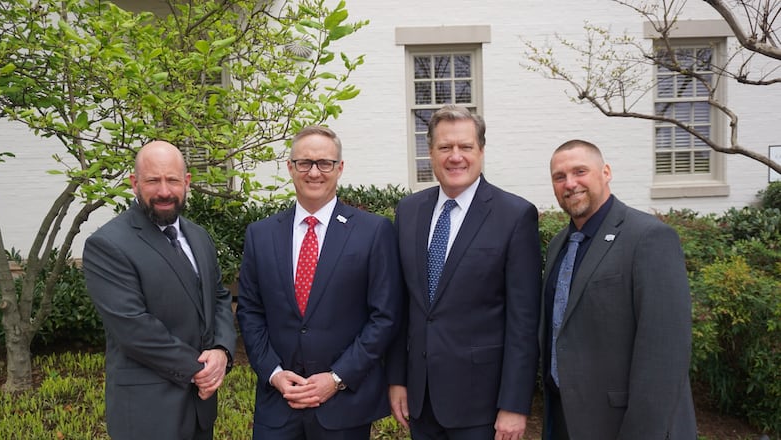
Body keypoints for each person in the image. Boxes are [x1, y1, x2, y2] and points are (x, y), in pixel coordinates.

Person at [236, 125, 402, 439]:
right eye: (305, 163)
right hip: (278, 405)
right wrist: (273, 373)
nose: (314, 172)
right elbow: (250, 311)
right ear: (290, 167)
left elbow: (384, 317)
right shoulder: (261, 234)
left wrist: (337, 378)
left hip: (343, 407)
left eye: (324, 163)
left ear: (340, 168)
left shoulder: (373, 232)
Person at [387, 104, 542, 440]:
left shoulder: (514, 216)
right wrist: (398, 379)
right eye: (445, 147)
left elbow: (524, 322)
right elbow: (403, 306)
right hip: (421, 399)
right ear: (430, 152)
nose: (455, 156)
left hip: (482, 405)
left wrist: (514, 404)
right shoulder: (409, 211)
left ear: (481, 151)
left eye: (465, 147)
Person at [541, 139, 697, 439]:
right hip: (565, 420)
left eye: (580, 171)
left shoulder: (649, 237)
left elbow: (665, 354)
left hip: (625, 424)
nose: (570, 183)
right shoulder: (559, 244)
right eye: (559, 177)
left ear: (606, 172)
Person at [83, 140, 237, 439]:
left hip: (200, 408)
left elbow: (218, 296)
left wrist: (221, 350)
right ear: (134, 183)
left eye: (172, 180)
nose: (164, 191)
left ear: (187, 182)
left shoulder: (199, 236)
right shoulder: (108, 244)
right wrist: (199, 370)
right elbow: (133, 327)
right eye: (153, 180)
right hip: (147, 412)